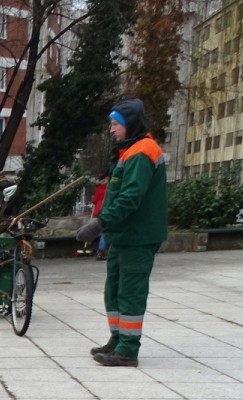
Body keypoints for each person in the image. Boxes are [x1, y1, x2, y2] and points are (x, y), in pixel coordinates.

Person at [76, 99, 167, 368]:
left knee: (130, 291)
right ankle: (118, 339)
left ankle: (128, 349)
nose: (111, 129)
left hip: (138, 236)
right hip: (124, 235)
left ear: (130, 124)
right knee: (114, 290)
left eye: (116, 124)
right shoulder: (130, 151)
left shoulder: (142, 152)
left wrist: (99, 224)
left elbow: (129, 199)